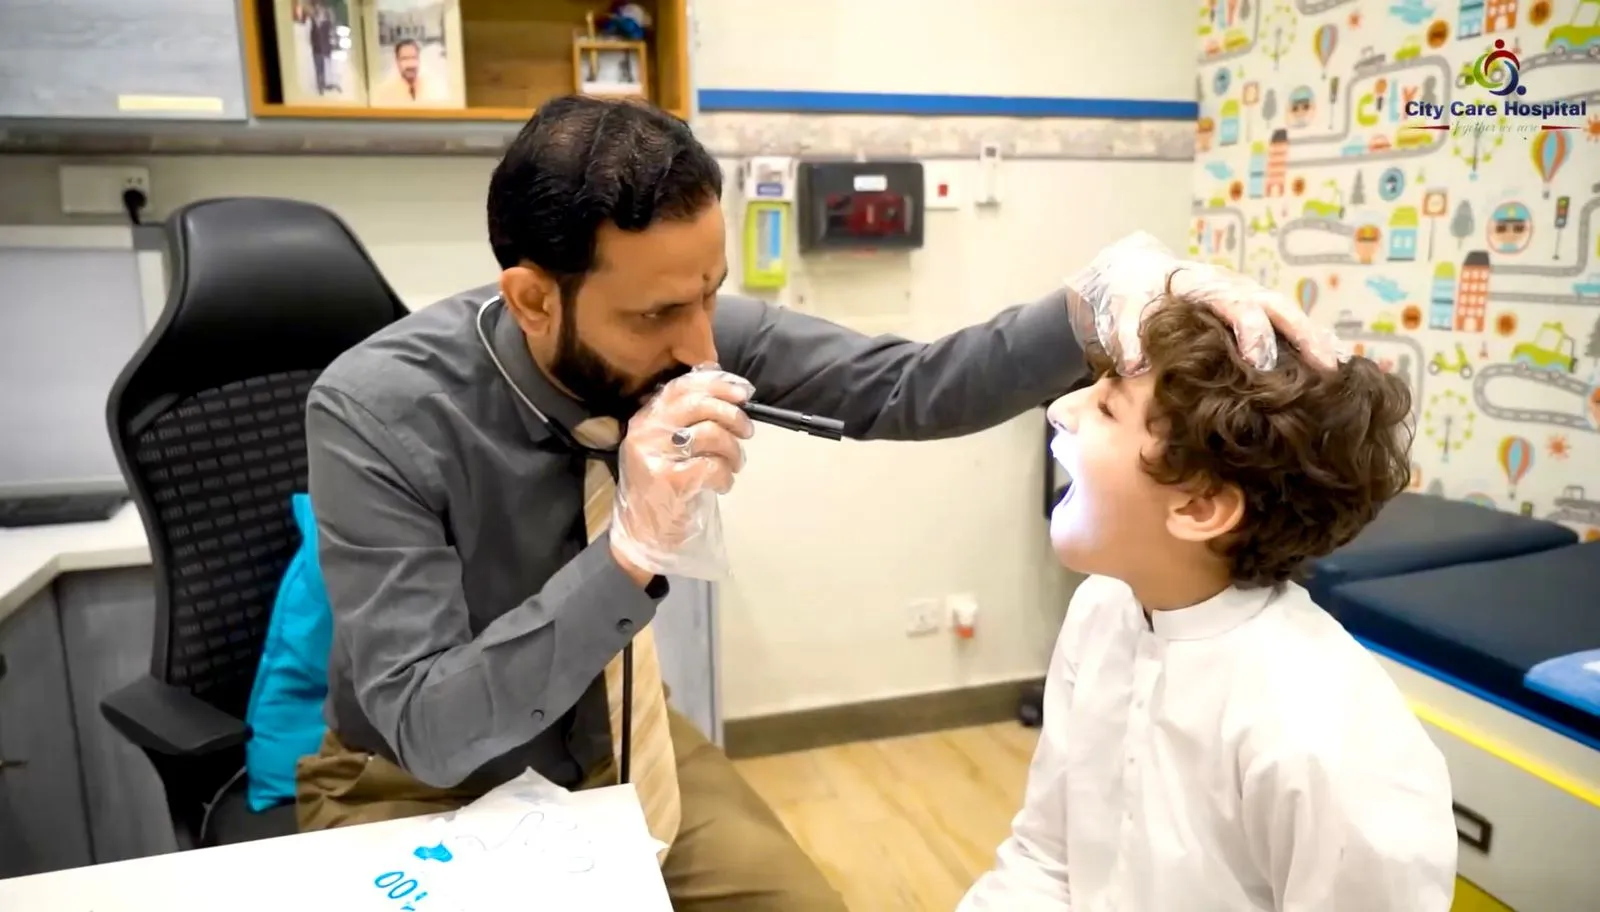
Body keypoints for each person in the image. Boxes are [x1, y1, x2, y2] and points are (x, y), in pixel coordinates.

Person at [296, 95, 1341, 910]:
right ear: (532, 297)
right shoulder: (376, 411)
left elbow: (910, 386)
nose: (701, 348)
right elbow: (428, 727)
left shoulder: (688, 321)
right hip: (416, 783)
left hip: (618, 740)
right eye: (658, 315)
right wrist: (627, 552)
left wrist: (1095, 302)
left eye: (710, 294)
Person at [959, 287, 1458, 911]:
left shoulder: (1323, 736)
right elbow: (1045, 858)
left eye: (1109, 408)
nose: (1061, 410)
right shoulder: (1103, 609)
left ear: (1199, 506)